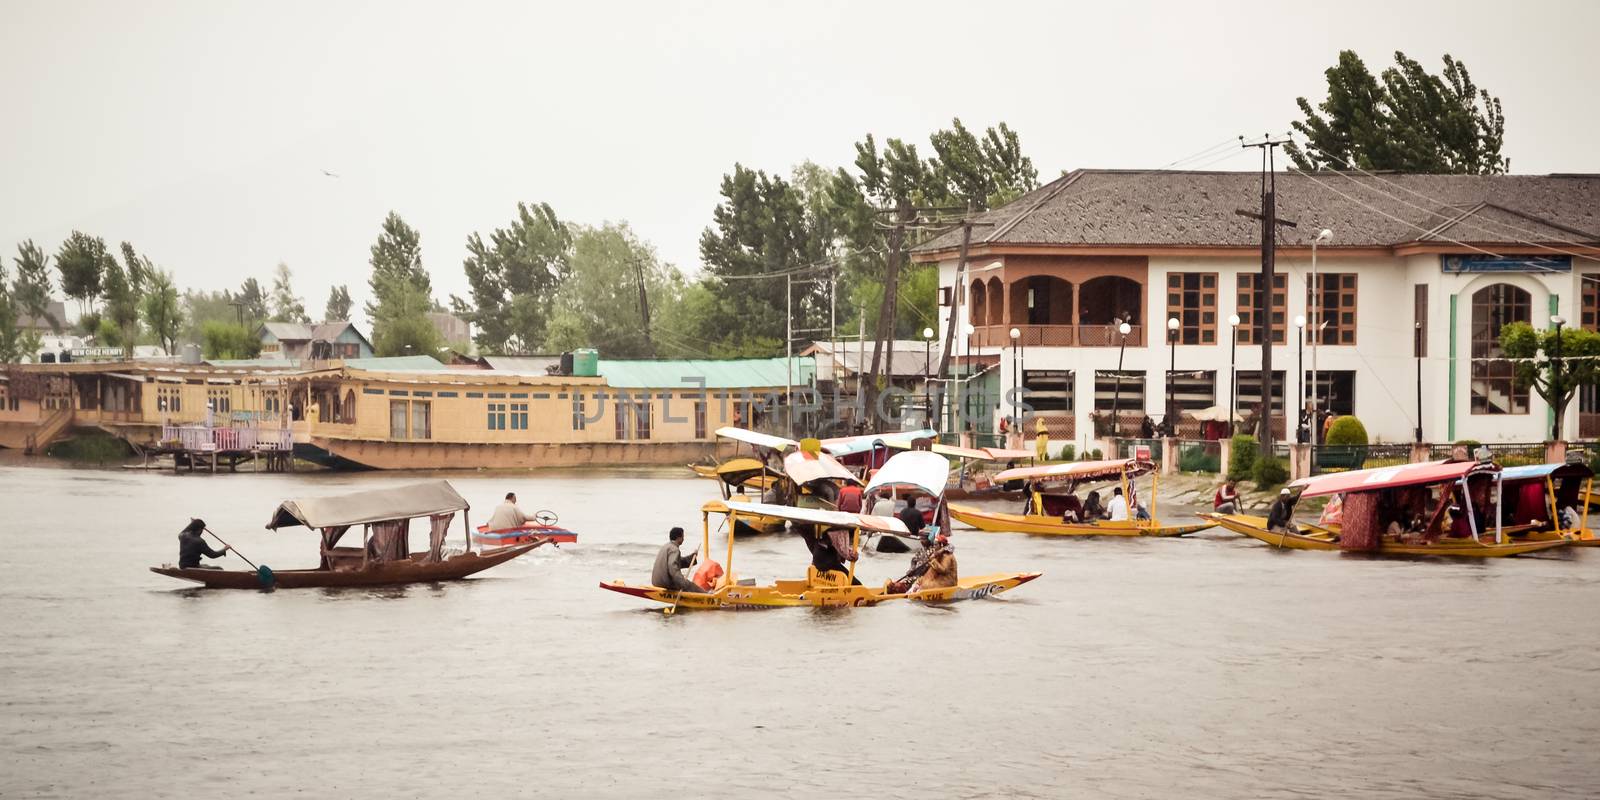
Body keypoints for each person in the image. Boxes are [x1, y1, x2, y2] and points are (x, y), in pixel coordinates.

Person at [652, 527, 705, 593]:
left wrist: (692, 556)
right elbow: (673, 568)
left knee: (686, 584)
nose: (683, 539)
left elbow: (678, 562)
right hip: (664, 582)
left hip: (656, 582)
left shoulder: (666, 546)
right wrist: (683, 583)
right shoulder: (674, 549)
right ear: (678, 537)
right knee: (691, 585)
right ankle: (708, 595)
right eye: (683, 536)